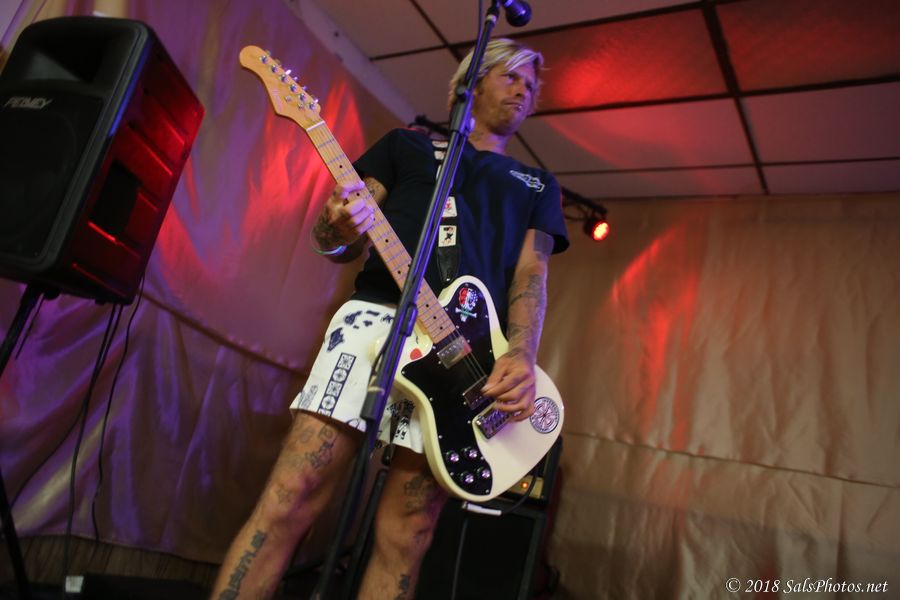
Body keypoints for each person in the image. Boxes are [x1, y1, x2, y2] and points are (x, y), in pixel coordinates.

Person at [210, 38, 569, 600]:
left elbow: (531, 274)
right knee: (291, 497)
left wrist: (522, 353)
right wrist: (338, 222)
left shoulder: (537, 184)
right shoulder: (406, 146)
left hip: (462, 360)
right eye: (512, 76)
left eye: (532, 84)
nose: (525, 90)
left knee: (409, 532)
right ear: (472, 80)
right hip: (375, 322)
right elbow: (336, 238)